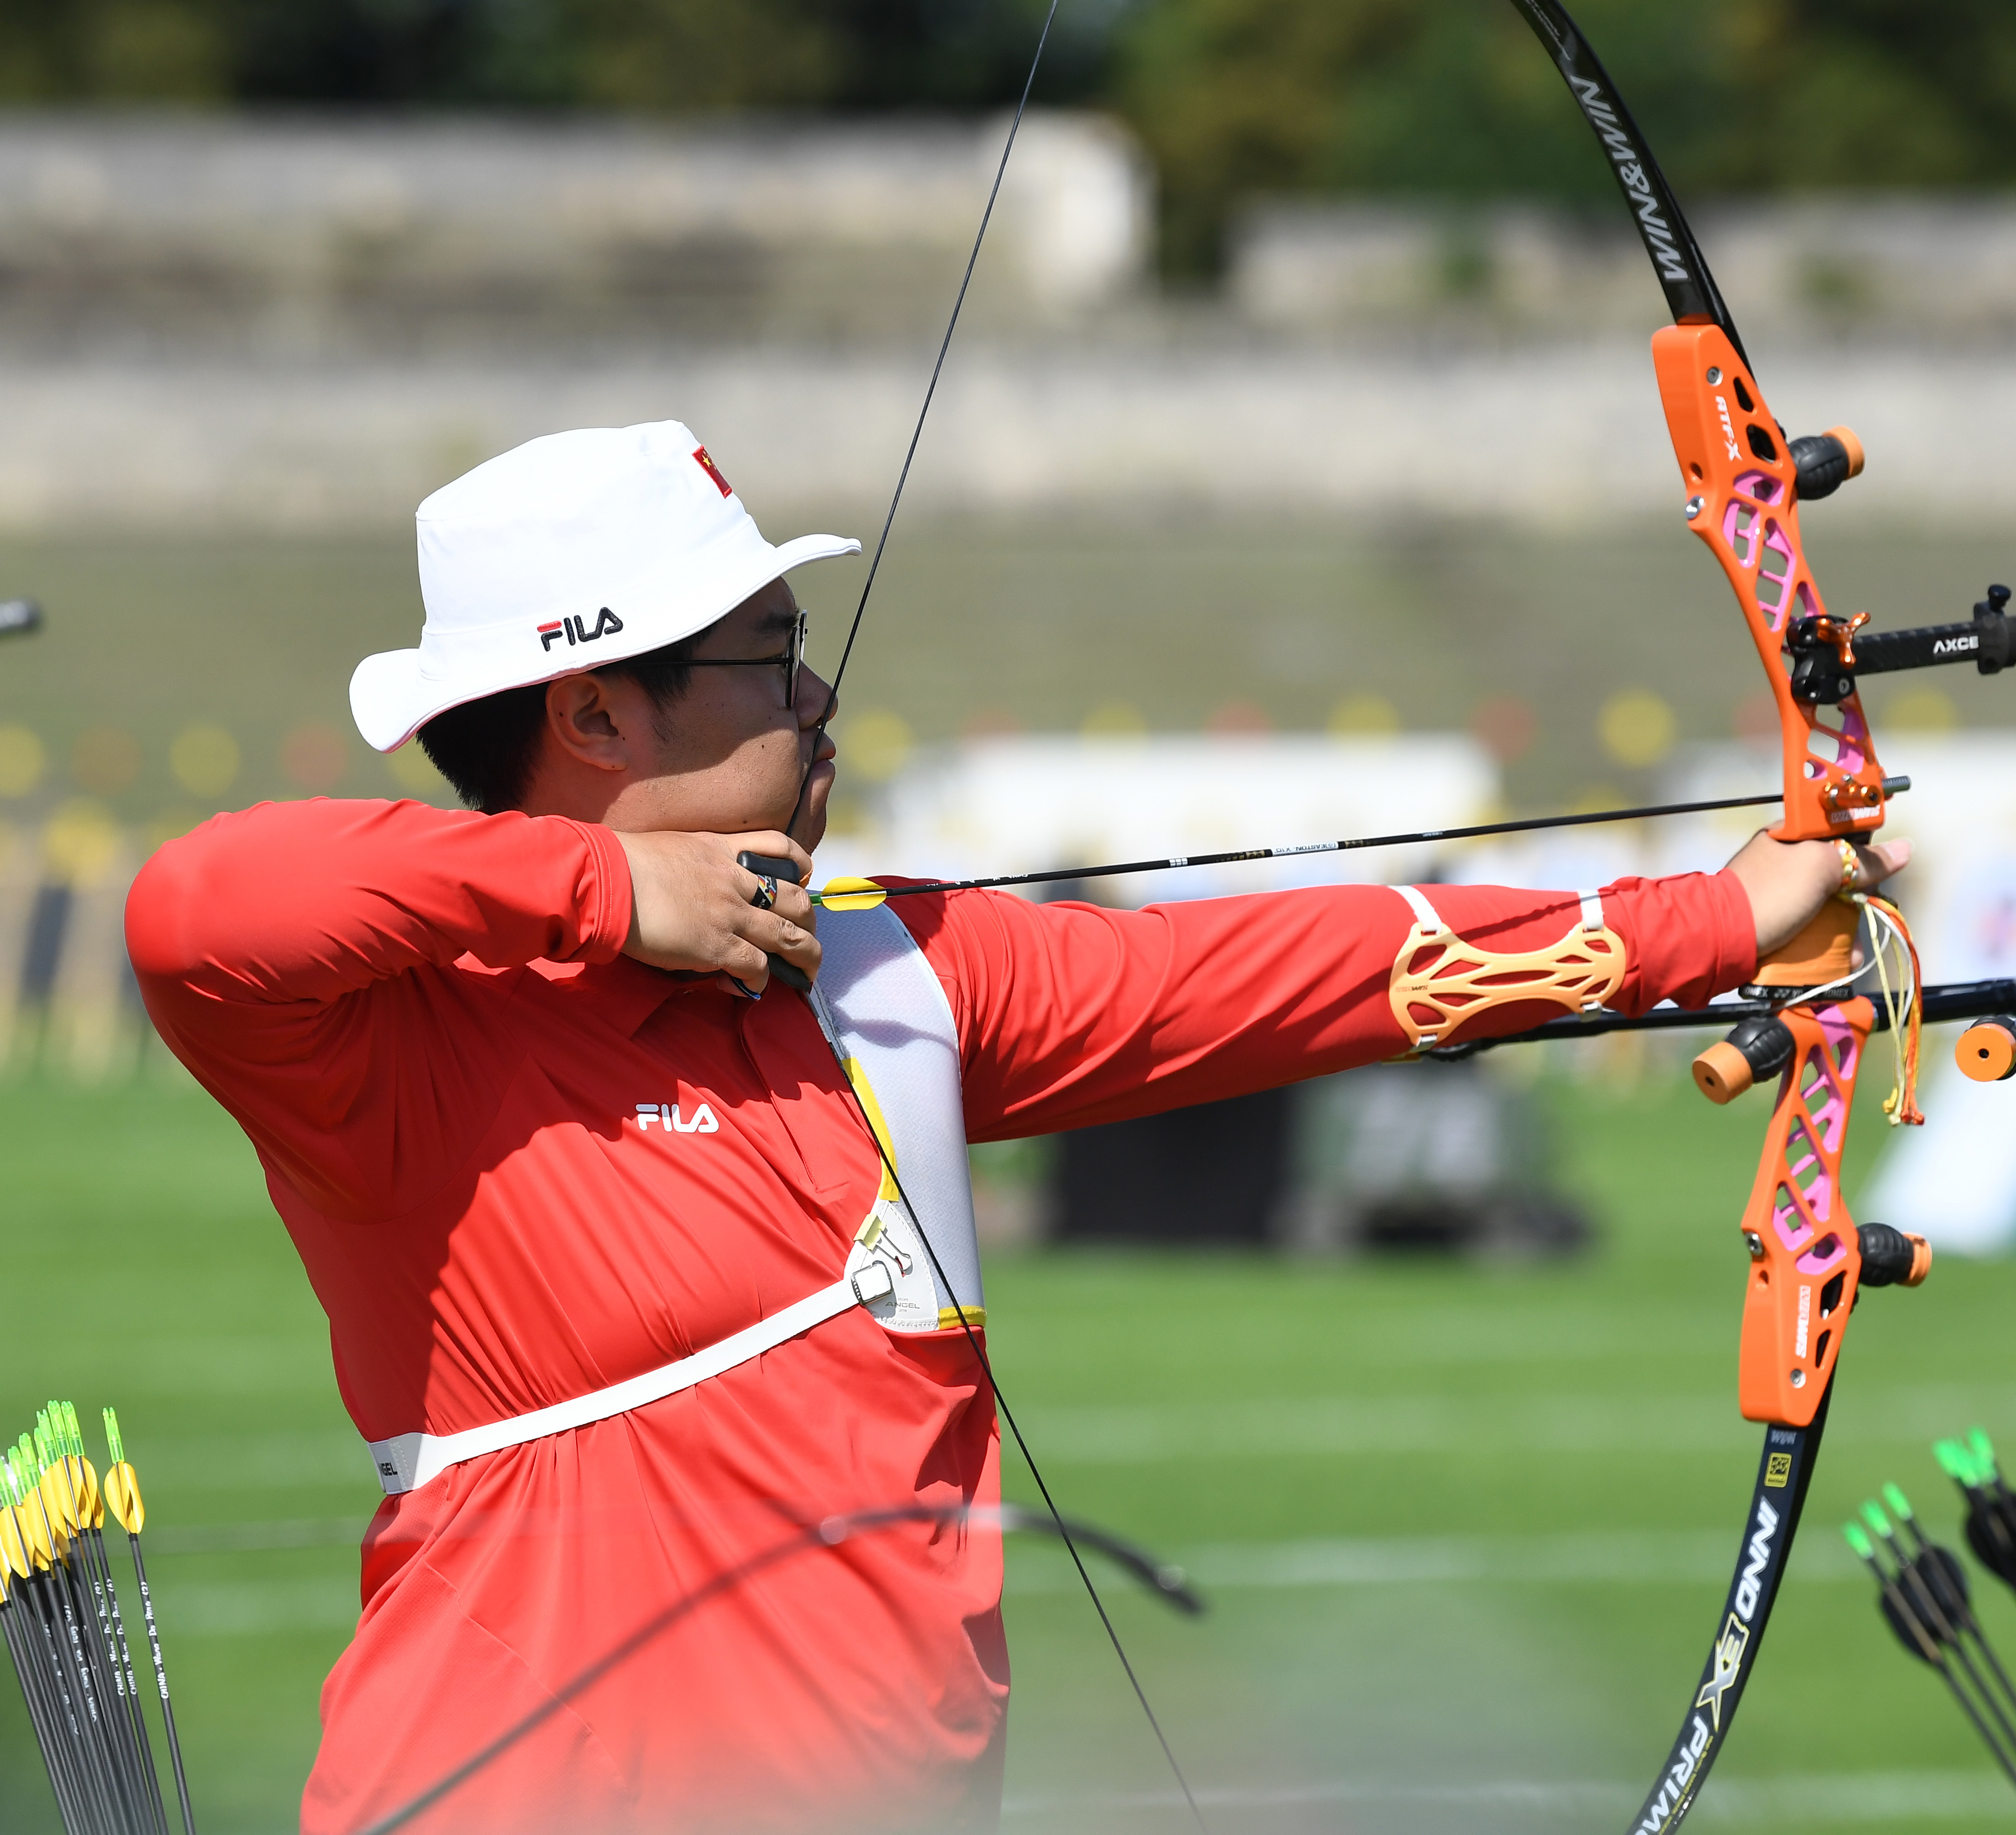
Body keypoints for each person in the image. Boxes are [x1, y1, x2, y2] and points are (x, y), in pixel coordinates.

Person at [126, 421, 1902, 1835]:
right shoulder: (396, 1045)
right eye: (767, 658)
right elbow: (201, 903)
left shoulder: (888, 977)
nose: (815, 698)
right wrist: (605, 892)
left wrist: (1721, 920)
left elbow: (1304, 969)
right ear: (595, 710)